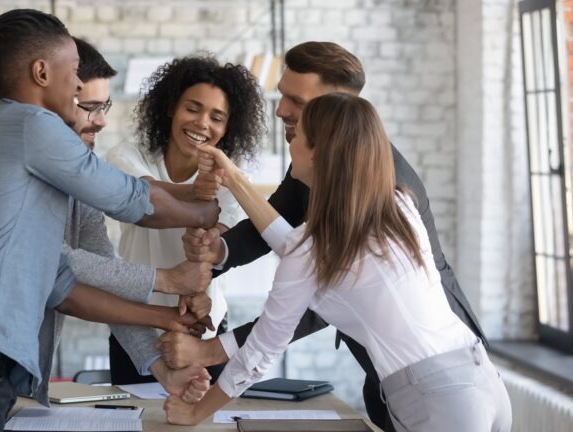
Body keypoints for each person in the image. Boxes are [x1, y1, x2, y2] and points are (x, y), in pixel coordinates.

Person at [0, 10, 217, 432]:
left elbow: (64, 287)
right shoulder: (30, 127)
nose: (81, 92)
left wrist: (164, 336)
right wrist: (206, 211)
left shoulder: (13, 147)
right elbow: (130, 199)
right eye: (78, 79)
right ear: (42, 72)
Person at [161, 41, 487, 431]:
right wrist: (219, 251)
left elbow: (310, 294)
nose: (281, 110)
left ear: (334, 113)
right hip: (465, 380)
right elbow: (289, 233)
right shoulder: (385, 194)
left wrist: (210, 360)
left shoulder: (387, 185)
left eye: (296, 101)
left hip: (432, 387)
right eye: (282, 94)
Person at [106, 54, 266, 385]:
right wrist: (196, 194)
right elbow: (143, 197)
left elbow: (215, 248)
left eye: (217, 117)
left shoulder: (231, 178)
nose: (202, 124)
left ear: (227, 128)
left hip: (202, 324)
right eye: (192, 109)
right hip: (134, 325)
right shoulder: (127, 156)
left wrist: (198, 289)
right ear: (170, 108)